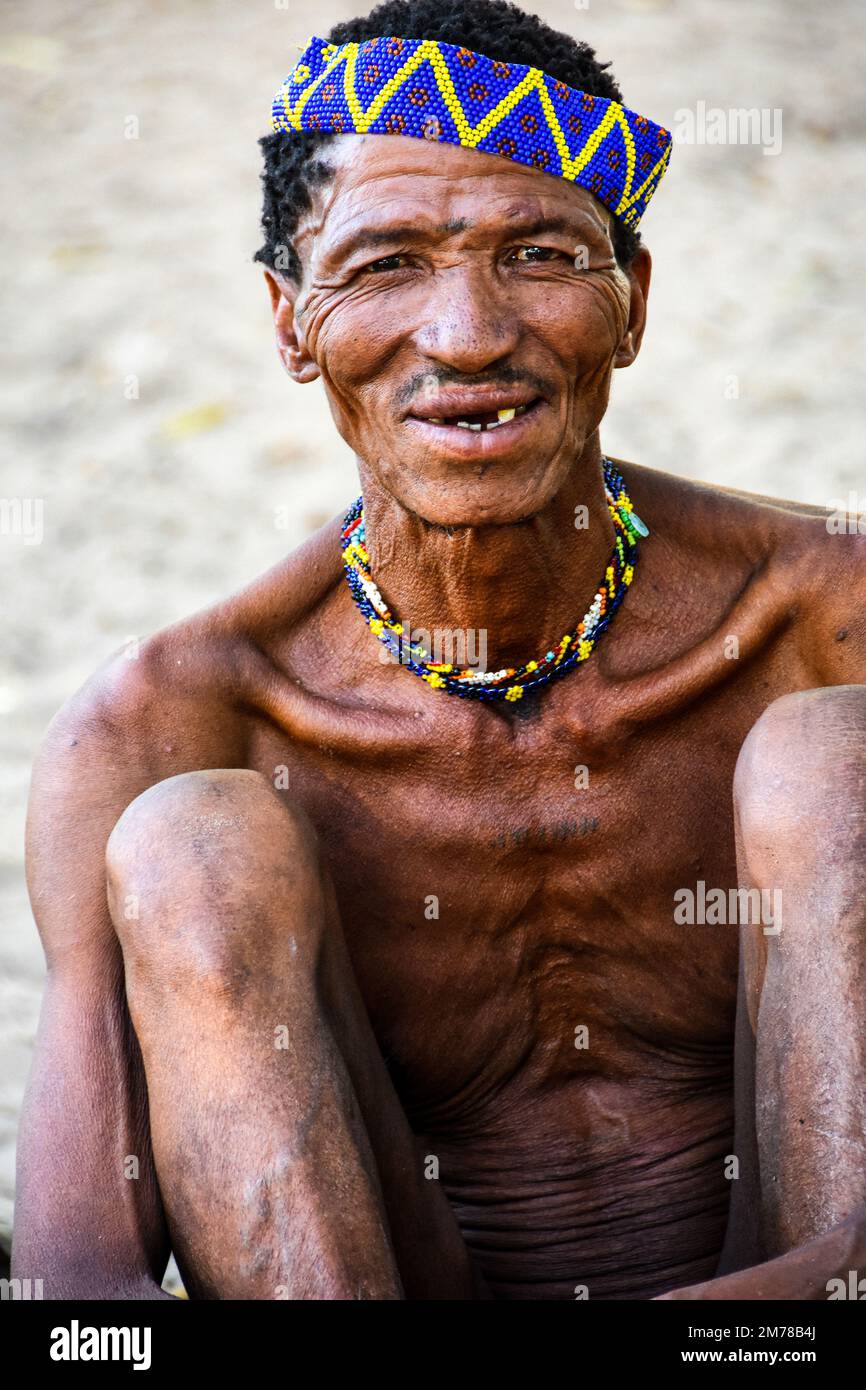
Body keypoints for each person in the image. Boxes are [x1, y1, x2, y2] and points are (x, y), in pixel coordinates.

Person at [13, 0, 866, 1300]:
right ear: (288, 319)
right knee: (190, 840)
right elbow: (81, 1315)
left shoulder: (822, 615)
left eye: (537, 253)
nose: (466, 338)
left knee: (836, 752)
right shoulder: (165, 722)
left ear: (629, 303)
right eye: (381, 264)